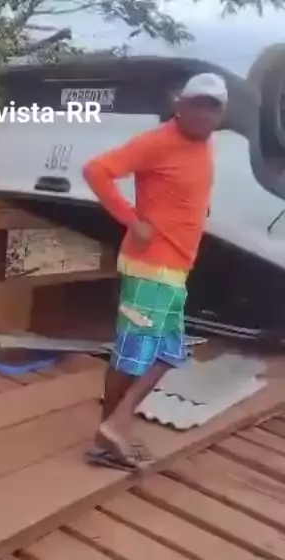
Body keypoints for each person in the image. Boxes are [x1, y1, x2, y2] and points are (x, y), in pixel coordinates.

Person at [82, 73, 228, 470]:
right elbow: (96, 170)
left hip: (175, 268)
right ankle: (108, 435)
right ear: (180, 104)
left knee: (167, 353)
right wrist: (132, 220)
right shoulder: (158, 141)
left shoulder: (206, 144)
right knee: (133, 357)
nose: (204, 113)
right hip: (150, 267)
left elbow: (188, 193)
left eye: (213, 107)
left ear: (222, 113)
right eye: (197, 103)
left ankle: (113, 428)